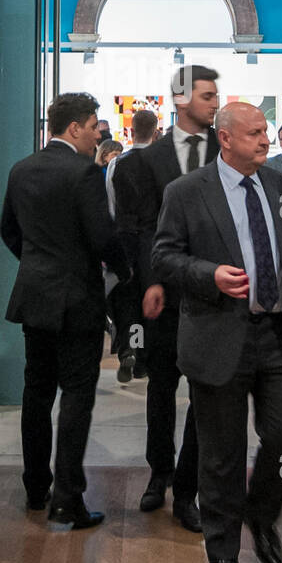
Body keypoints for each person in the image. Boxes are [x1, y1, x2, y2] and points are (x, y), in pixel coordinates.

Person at [151, 101, 282, 563]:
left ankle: (261, 515)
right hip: (218, 335)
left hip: (277, 335)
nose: (266, 140)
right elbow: (163, 256)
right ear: (225, 139)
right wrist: (209, 276)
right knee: (222, 455)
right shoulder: (186, 193)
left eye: (266, 131)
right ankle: (222, 555)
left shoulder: (280, 187)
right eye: (255, 133)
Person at [0, 92, 130, 529]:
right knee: (77, 396)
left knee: (36, 394)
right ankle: (67, 499)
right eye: (95, 126)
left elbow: (8, 231)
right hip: (78, 300)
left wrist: (38, 265)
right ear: (73, 128)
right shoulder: (84, 173)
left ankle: (36, 487)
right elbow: (102, 237)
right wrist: (126, 272)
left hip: (35, 297)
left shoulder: (21, 170)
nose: (99, 134)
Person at [112, 66, 221, 526]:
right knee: (161, 387)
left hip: (216, 292)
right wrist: (152, 280)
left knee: (206, 395)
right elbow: (136, 230)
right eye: (207, 95)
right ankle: (159, 473)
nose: (216, 103)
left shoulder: (228, 151)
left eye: (217, 95)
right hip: (164, 296)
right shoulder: (142, 162)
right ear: (180, 99)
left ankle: (189, 490)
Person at [109, 108, 158, 384]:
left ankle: (130, 347)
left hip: (126, 238)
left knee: (127, 296)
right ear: (155, 130)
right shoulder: (160, 164)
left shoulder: (118, 163)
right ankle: (145, 360)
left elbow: (111, 204)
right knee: (151, 296)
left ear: (131, 130)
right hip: (153, 239)